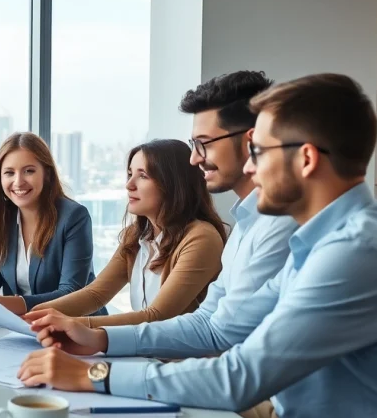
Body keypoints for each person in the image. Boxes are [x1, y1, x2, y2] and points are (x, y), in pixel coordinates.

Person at [18, 74, 377, 418]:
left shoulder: (353, 251)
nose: (252, 166)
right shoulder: (317, 238)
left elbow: (239, 376)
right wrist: (100, 343)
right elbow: (214, 326)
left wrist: (95, 374)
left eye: (259, 152)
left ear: (306, 159)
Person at [25, 70, 295, 355]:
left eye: (204, 143)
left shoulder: (217, 235)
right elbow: (209, 324)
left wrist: (85, 330)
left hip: (184, 367)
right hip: (164, 362)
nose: (195, 158)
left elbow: (186, 325)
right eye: (194, 145)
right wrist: (36, 316)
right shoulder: (243, 226)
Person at [30, 139, 227, 327]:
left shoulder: (202, 237)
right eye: (130, 174)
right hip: (142, 352)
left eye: (143, 176)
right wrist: (34, 315)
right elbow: (96, 294)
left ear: (174, 183)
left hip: (181, 359)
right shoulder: (136, 235)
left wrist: (72, 325)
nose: (129, 185)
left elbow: (157, 316)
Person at [0, 132, 96, 327]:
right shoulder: (1, 217)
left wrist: (3, 305)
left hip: (76, 328)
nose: (18, 182)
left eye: (29, 171)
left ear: (47, 173)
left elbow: (71, 292)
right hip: (22, 329)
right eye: (9, 173)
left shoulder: (74, 217)